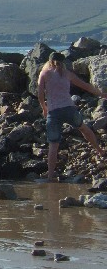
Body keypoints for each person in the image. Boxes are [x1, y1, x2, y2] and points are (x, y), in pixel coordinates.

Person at [37, 51, 107, 179]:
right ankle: (100, 150)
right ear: (62, 62)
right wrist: (101, 94)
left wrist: (44, 108)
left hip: (53, 112)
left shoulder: (44, 73)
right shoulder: (67, 74)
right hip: (69, 109)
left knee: (53, 144)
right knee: (84, 128)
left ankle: (50, 175)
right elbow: (86, 86)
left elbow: (40, 94)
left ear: (49, 61)